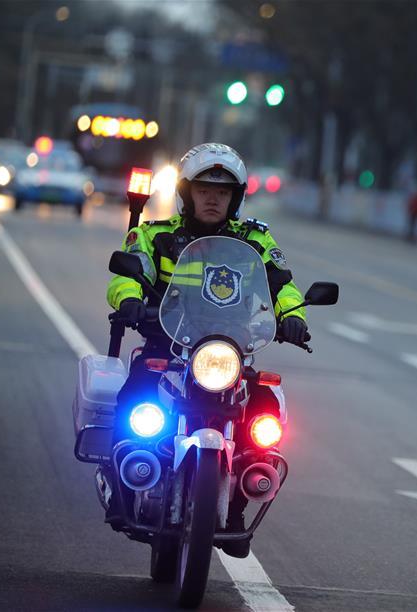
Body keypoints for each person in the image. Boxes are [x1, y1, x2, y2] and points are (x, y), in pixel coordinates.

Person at [105, 143, 308, 558]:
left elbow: (282, 283)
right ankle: (122, 479)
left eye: (223, 191)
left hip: (230, 352)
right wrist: (128, 299)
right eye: (203, 189)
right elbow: (128, 271)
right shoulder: (155, 235)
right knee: (134, 398)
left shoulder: (255, 239)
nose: (213, 198)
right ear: (186, 193)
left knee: (265, 409)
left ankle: (236, 505)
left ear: (236, 198)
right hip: (168, 345)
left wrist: (294, 314)